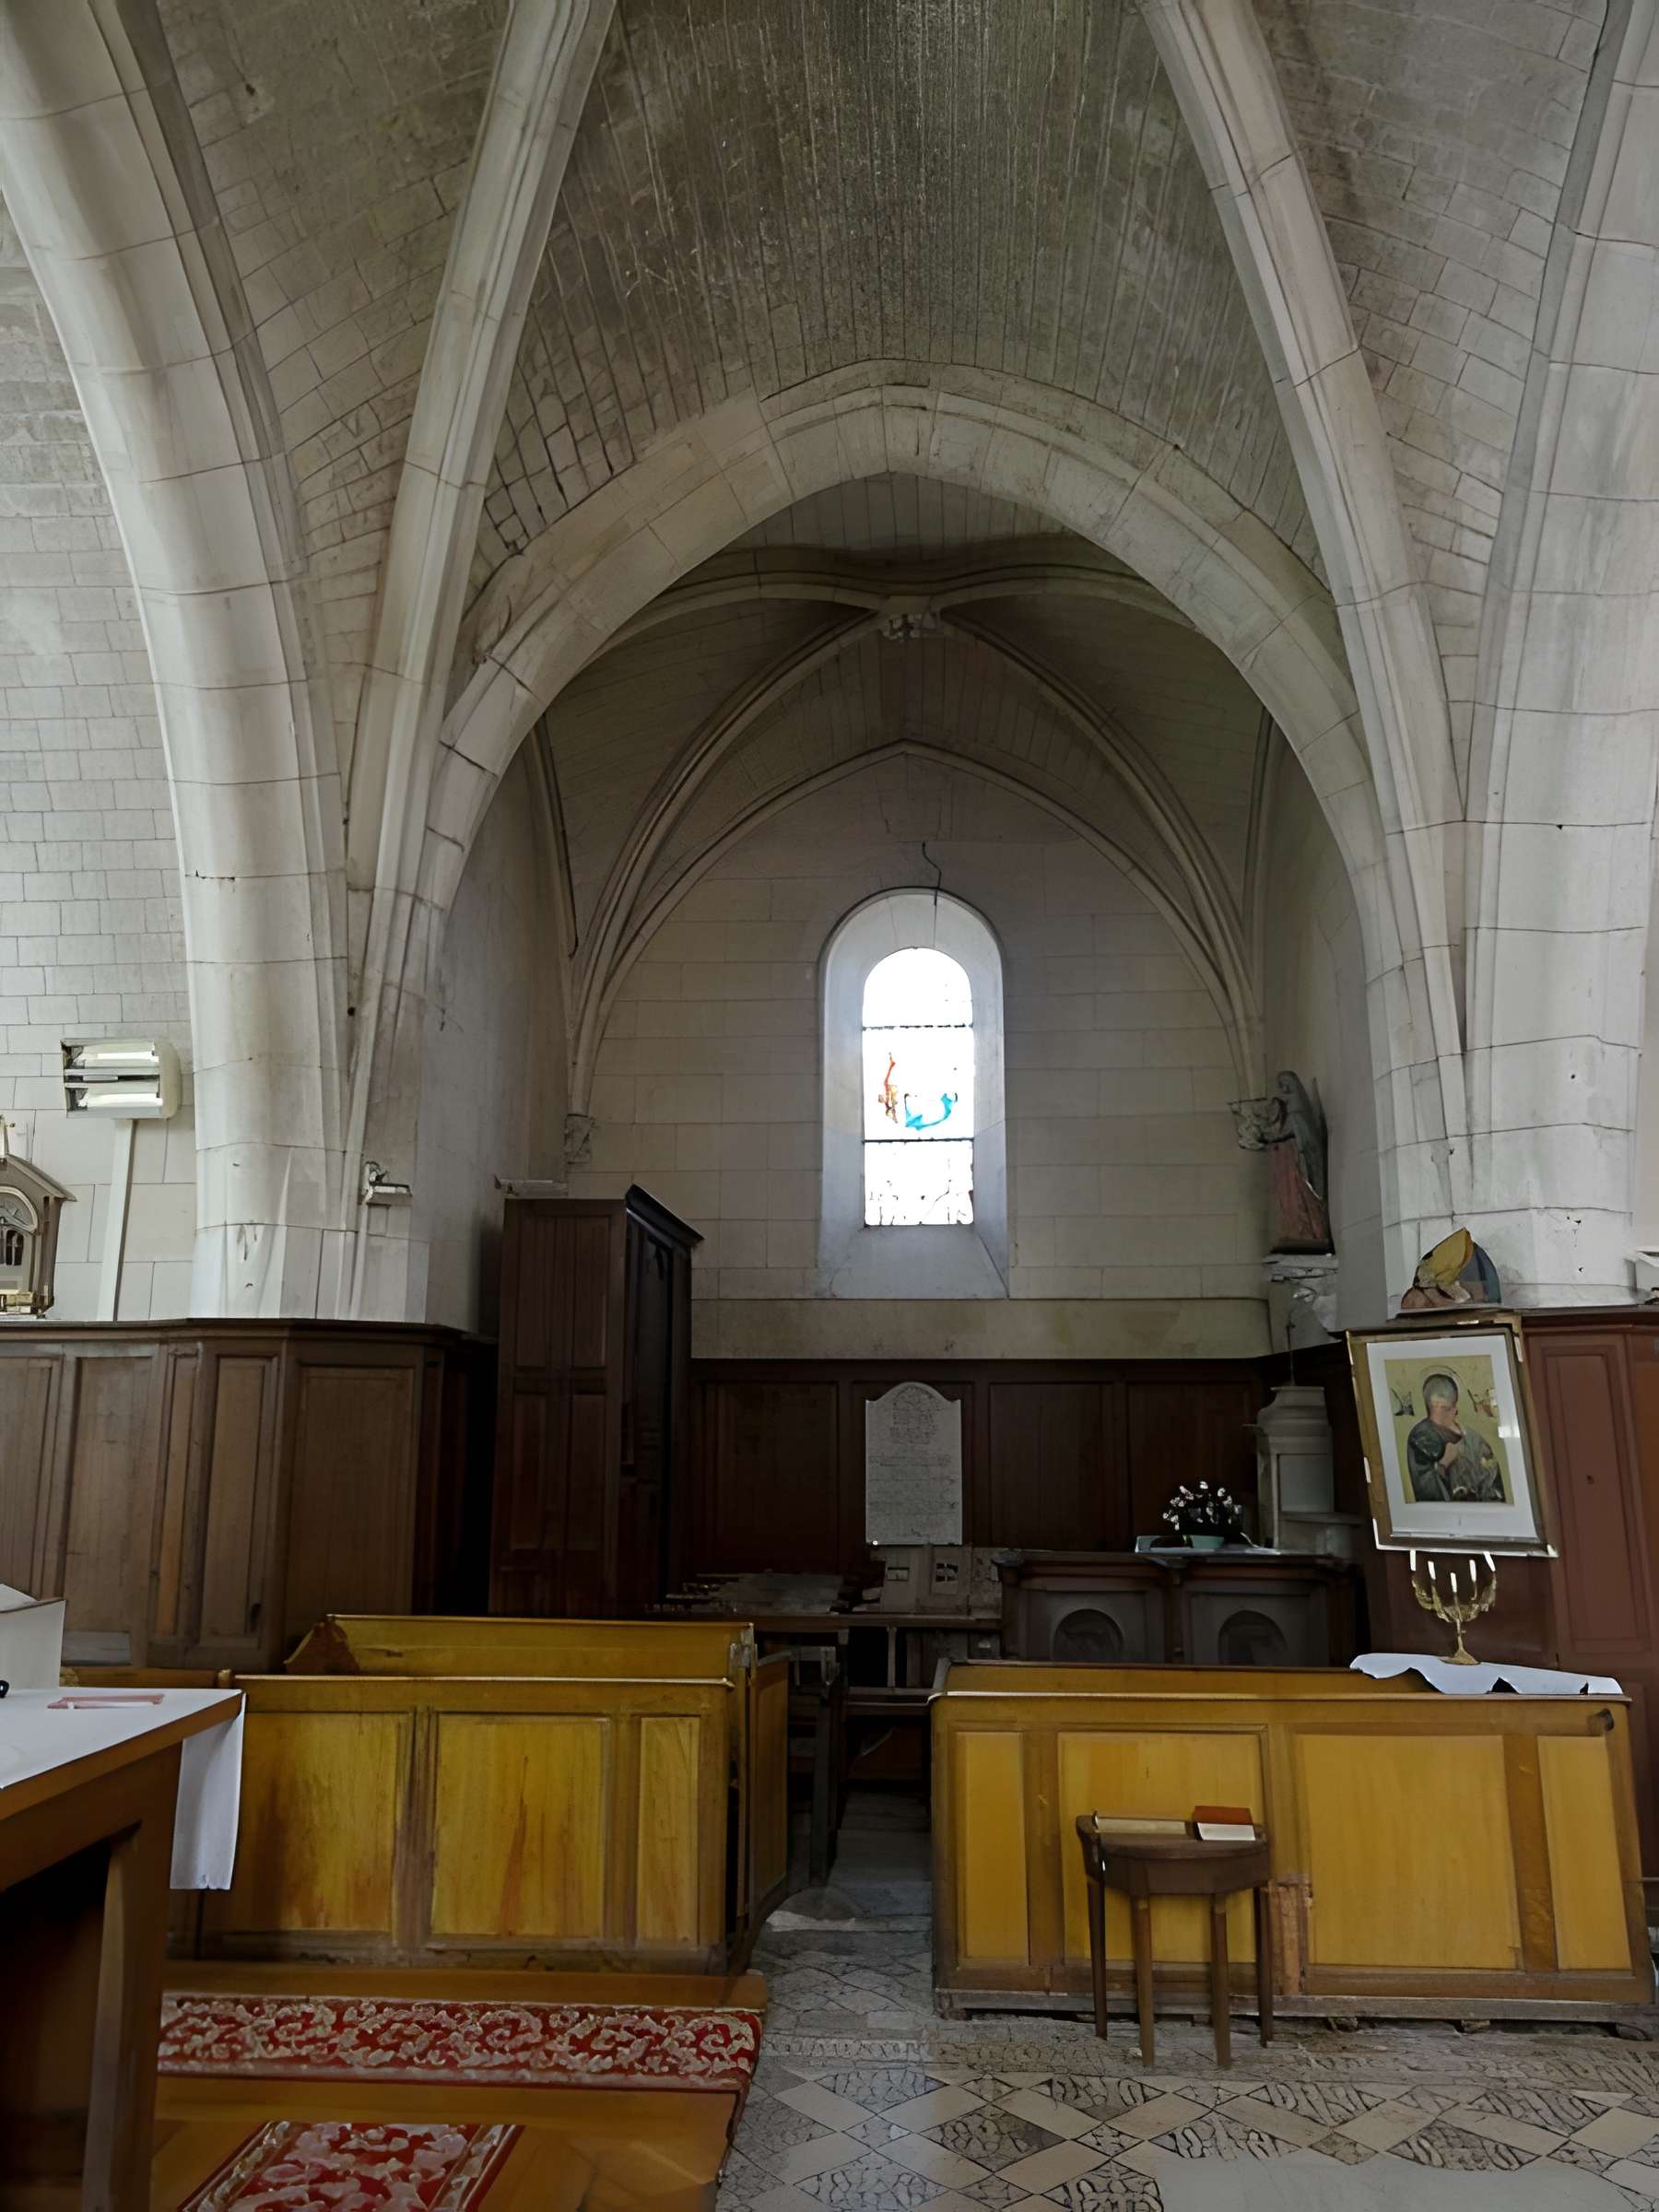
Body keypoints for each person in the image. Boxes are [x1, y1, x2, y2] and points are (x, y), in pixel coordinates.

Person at [1405, 1372, 1505, 1502]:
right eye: (1437, 1408)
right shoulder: (1419, 1436)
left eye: (1446, 1408)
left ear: (1454, 1407)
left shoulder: (1473, 1438)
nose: (1442, 1415)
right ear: (1429, 1406)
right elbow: (1425, 1489)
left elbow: (1492, 1481)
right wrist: (1442, 1465)